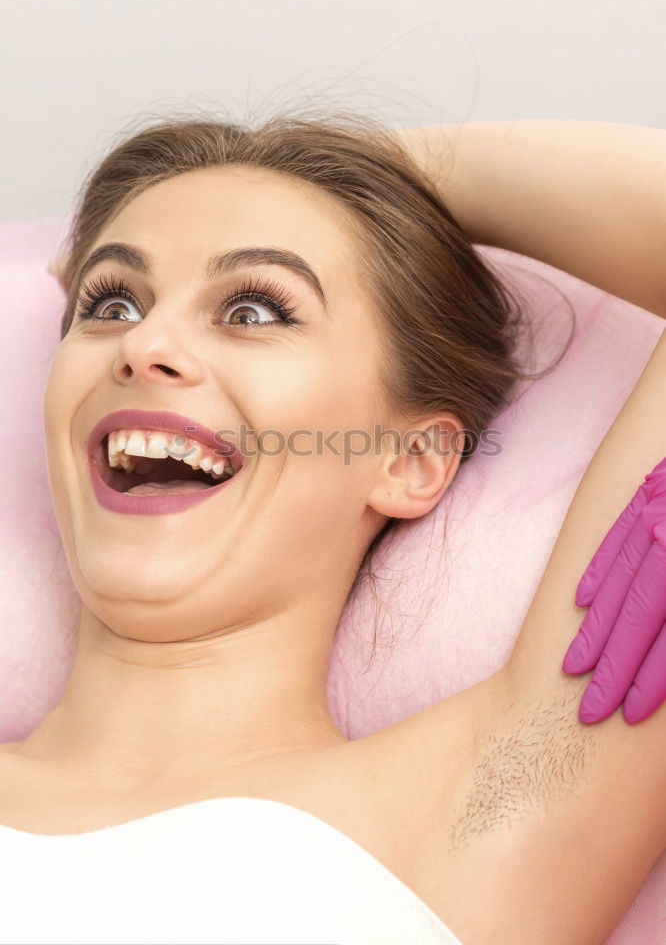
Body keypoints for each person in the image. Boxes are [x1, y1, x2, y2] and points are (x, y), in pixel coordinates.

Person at [0, 111, 663, 945]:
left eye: (253, 310)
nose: (146, 343)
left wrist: (393, 160)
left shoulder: (489, 803)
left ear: (412, 458)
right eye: (112, 302)